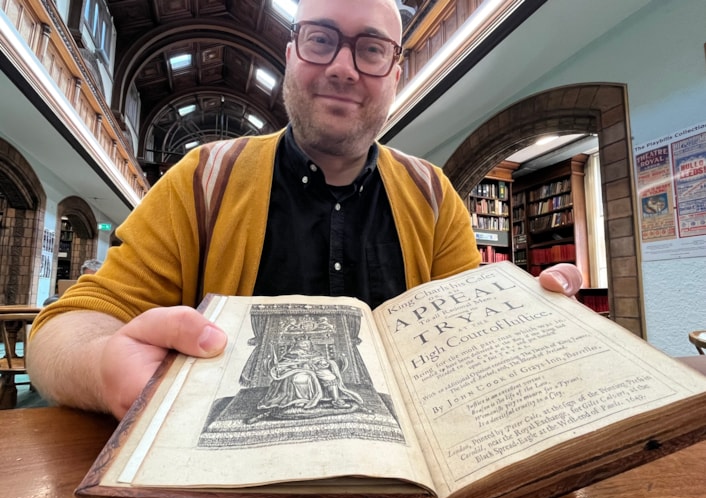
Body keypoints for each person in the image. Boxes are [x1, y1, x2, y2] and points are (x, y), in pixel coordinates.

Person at [27, 0, 582, 420]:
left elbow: (464, 344)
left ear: (395, 72)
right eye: (321, 40)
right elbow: (61, 331)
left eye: (370, 49)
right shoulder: (201, 181)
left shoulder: (434, 197)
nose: (343, 68)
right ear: (291, 54)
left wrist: (527, 320)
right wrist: (105, 369)